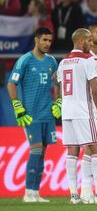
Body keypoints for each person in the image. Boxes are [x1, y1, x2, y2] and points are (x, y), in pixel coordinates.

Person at [57, 28, 97, 204]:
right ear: (81, 41)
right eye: (89, 40)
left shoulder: (63, 62)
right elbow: (95, 89)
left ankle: (74, 195)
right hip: (85, 111)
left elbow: (60, 89)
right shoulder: (87, 60)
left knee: (73, 151)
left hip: (67, 111)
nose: (91, 44)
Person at [7, 27, 60, 202]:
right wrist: (17, 105)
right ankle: (28, 193)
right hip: (31, 114)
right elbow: (11, 83)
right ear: (36, 40)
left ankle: (36, 192)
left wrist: (58, 101)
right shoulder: (25, 60)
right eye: (44, 40)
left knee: (43, 153)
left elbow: (57, 82)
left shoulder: (52, 61)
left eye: (50, 41)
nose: (47, 44)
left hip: (47, 114)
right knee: (36, 149)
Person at [79, 23, 97, 203]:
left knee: (95, 149)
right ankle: (88, 191)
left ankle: (88, 192)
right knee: (94, 148)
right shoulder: (82, 57)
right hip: (86, 110)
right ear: (90, 35)